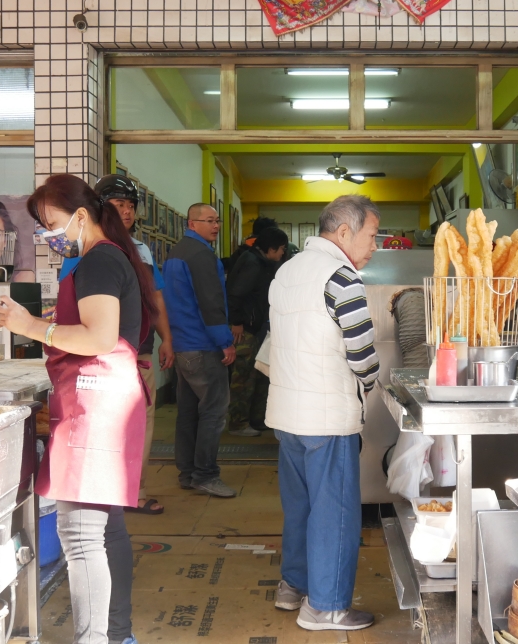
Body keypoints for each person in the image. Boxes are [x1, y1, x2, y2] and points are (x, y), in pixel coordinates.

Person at [0, 174, 155, 644]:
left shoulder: (98, 261)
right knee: (104, 529)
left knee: (80, 536)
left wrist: (31, 325)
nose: (48, 237)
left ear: (81, 216)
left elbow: (98, 337)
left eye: (51, 226)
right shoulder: (102, 259)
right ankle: (117, 635)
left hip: (96, 407)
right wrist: (22, 317)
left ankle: (97, 639)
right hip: (105, 403)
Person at [265, 195, 381, 632]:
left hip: (287, 413)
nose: (375, 245)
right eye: (372, 235)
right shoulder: (342, 277)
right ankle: (327, 606)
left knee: (300, 507)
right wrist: (369, 385)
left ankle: (293, 586)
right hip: (327, 417)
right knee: (335, 513)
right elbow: (363, 354)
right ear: (345, 232)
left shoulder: (287, 271)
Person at [94, 174, 174, 515]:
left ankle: (135, 490)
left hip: (139, 353)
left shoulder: (140, 250)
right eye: (118, 205)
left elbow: (154, 296)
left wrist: (167, 338)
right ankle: (103, 489)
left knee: (143, 421)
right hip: (103, 357)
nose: (126, 212)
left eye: (130, 206)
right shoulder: (86, 248)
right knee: (106, 424)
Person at [163, 203, 237, 498]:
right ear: (191, 223)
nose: (215, 225)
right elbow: (210, 302)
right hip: (203, 346)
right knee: (213, 413)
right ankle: (206, 475)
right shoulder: (200, 255)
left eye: (217, 220)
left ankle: (187, 473)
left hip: (183, 346)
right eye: (208, 221)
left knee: (188, 412)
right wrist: (225, 340)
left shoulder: (176, 253)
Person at [226, 226, 289, 436]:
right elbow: (235, 294)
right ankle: (237, 423)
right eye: (281, 249)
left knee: (259, 375)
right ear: (270, 248)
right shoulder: (252, 263)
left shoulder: (262, 262)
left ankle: (256, 419)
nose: (282, 254)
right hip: (245, 330)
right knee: (243, 378)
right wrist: (236, 322)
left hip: (258, 329)